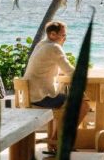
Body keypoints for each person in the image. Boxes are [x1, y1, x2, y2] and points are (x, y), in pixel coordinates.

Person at [23, 21, 90, 152]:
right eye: (63, 35)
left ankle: (55, 141)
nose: (64, 39)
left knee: (69, 102)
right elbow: (70, 72)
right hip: (42, 96)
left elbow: (52, 68)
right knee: (83, 106)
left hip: (32, 94)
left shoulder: (41, 44)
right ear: (52, 34)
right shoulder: (54, 47)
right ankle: (62, 140)